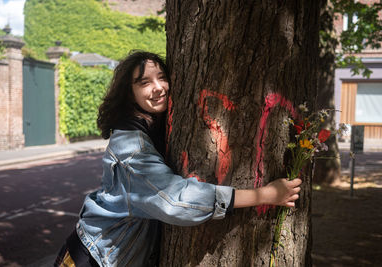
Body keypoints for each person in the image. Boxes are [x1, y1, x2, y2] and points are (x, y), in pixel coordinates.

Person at [54, 51, 302, 267]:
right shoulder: (131, 146)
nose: (158, 87)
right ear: (129, 94)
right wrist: (265, 195)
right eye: (144, 82)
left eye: (162, 77)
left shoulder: (151, 129)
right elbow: (175, 200)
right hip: (92, 259)